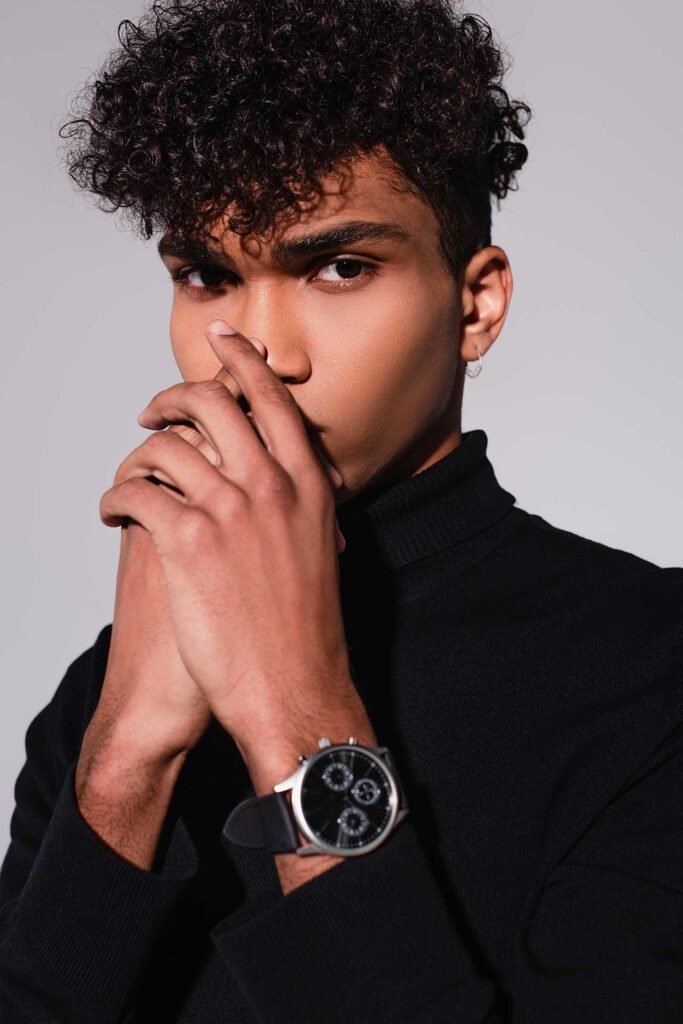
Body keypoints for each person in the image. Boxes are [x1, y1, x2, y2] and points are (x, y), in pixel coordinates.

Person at [1, 0, 681, 1020]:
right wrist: (128, 758)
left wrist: (295, 715)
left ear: (475, 304)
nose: (261, 351)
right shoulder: (112, 686)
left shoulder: (651, 672)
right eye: (207, 276)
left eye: (339, 268)